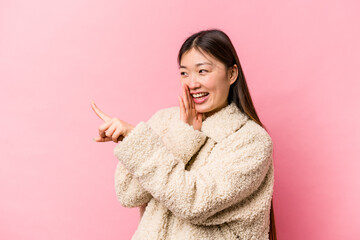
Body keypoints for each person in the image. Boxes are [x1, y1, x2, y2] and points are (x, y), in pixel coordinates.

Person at [91, 29, 277, 240]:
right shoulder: (165, 120)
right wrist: (181, 137)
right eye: (184, 73)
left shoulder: (251, 140)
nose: (192, 83)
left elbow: (196, 202)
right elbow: (128, 194)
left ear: (232, 74)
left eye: (203, 71)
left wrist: (139, 141)